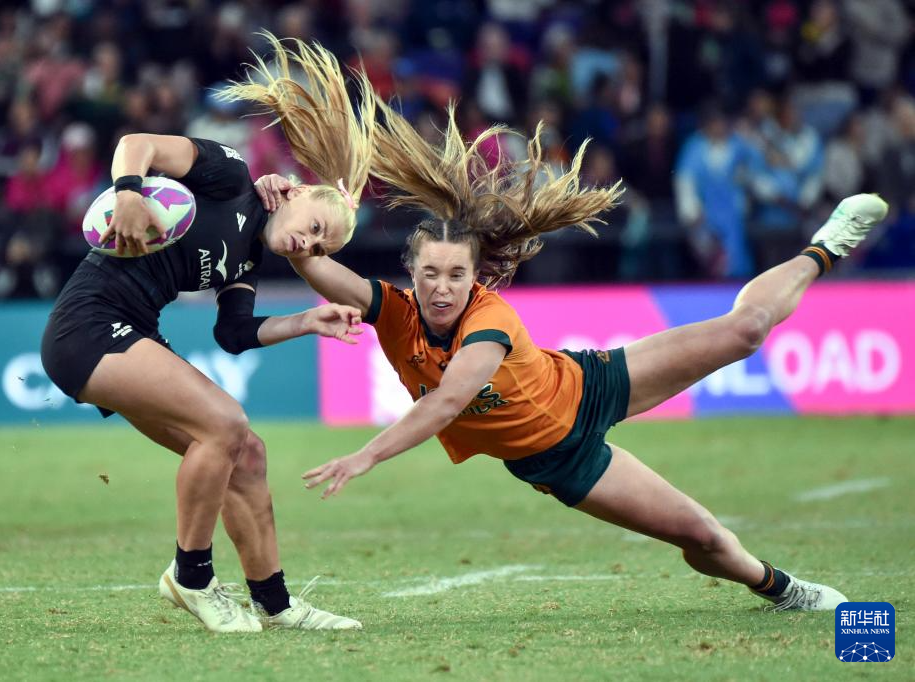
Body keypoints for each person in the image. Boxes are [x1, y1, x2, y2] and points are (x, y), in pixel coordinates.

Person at [275, 96, 888, 612]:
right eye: (429, 273)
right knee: (704, 538)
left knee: (747, 329)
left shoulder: (490, 319)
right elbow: (326, 272)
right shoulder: (395, 311)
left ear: (474, 277)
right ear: (410, 273)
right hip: (558, 459)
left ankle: (824, 248)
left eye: (456, 274)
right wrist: (296, 238)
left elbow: (449, 402)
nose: (442, 288)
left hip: (590, 384)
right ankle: (782, 588)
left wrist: (366, 455)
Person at [41, 35, 374, 633]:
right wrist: (128, 194)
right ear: (296, 193)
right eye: (314, 226)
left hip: (131, 330)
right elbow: (135, 144)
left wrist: (306, 321)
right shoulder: (230, 174)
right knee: (224, 423)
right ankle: (191, 578)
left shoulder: (248, 259)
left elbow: (234, 333)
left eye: (319, 247)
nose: (308, 244)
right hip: (87, 324)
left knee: (246, 453)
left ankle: (275, 604)